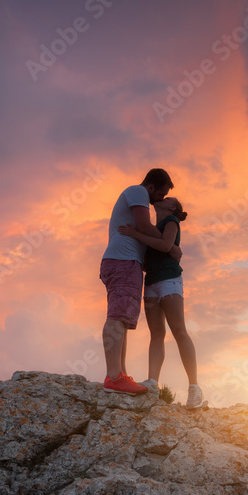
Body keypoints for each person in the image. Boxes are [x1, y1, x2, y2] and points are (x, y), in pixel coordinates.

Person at [118, 196, 206, 409]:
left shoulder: (171, 222)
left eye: (168, 198)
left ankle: (194, 387)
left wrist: (136, 234)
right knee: (156, 333)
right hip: (151, 282)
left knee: (179, 330)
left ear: (172, 207)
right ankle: (153, 383)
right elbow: (155, 256)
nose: (162, 198)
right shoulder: (155, 227)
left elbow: (166, 245)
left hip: (169, 280)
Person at [100, 168, 181, 395]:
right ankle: (114, 377)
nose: (160, 200)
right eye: (160, 194)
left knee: (123, 319)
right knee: (117, 317)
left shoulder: (141, 195)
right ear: (151, 187)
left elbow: (142, 234)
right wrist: (169, 244)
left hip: (128, 263)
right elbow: (144, 226)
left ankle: (120, 375)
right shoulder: (138, 192)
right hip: (122, 261)